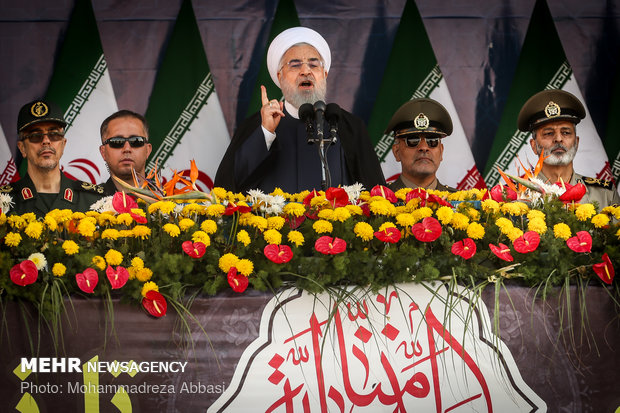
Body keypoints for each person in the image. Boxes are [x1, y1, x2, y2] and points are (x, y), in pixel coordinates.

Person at [215, 26, 384, 194]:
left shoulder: (349, 126)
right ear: (280, 76)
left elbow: (377, 196)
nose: (305, 71)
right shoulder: (257, 125)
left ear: (324, 74)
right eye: (295, 65)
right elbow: (227, 187)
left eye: (313, 64)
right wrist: (265, 134)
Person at [0, 100, 104, 216]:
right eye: (35, 136)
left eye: (54, 134)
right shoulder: (3, 201)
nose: (46, 141)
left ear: (63, 144)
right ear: (22, 148)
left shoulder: (93, 200)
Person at [518, 89, 620, 208]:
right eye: (549, 133)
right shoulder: (514, 194)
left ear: (576, 143)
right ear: (534, 145)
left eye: (566, 132)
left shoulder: (604, 194)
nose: (558, 139)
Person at [385, 98, 456, 192]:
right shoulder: (374, 202)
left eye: (432, 140)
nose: (424, 147)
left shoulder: (462, 204)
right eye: (413, 140)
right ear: (396, 152)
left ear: (441, 151)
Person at [99, 110, 152, 196]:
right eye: (117, 142)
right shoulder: (87, 204)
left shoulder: (172, 201)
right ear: (103, 152)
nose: (127, 149)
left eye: (136, 141)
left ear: (148, 150)